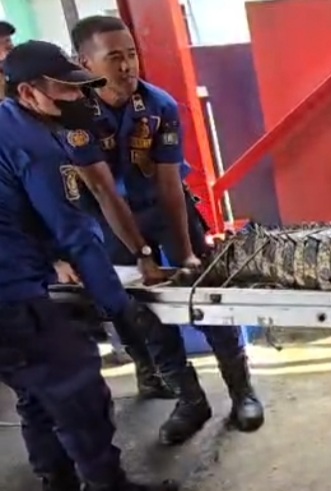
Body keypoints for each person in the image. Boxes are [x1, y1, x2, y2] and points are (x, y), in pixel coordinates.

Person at [0, 39, 178, 491]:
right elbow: (74, 233)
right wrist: (118, 307)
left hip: (13, 290)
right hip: (14, 297)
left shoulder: (7, 127)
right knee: (77, 390)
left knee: (36, 397)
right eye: (65, 91)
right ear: (29, 93)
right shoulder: (38, 145)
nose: (78, 99)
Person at [67, 15, 264, 446]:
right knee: (144, 310)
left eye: (131, 54)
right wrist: (143, 256)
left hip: (165, 208)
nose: (127, 66)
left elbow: (170, 183)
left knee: (206, 294)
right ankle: (190, 400)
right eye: (114, 57)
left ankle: (242, 391)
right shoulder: (75, 117)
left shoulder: (159, 106)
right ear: (85, 63)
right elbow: (103, 192)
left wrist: (186, 251)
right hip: (112, 220)